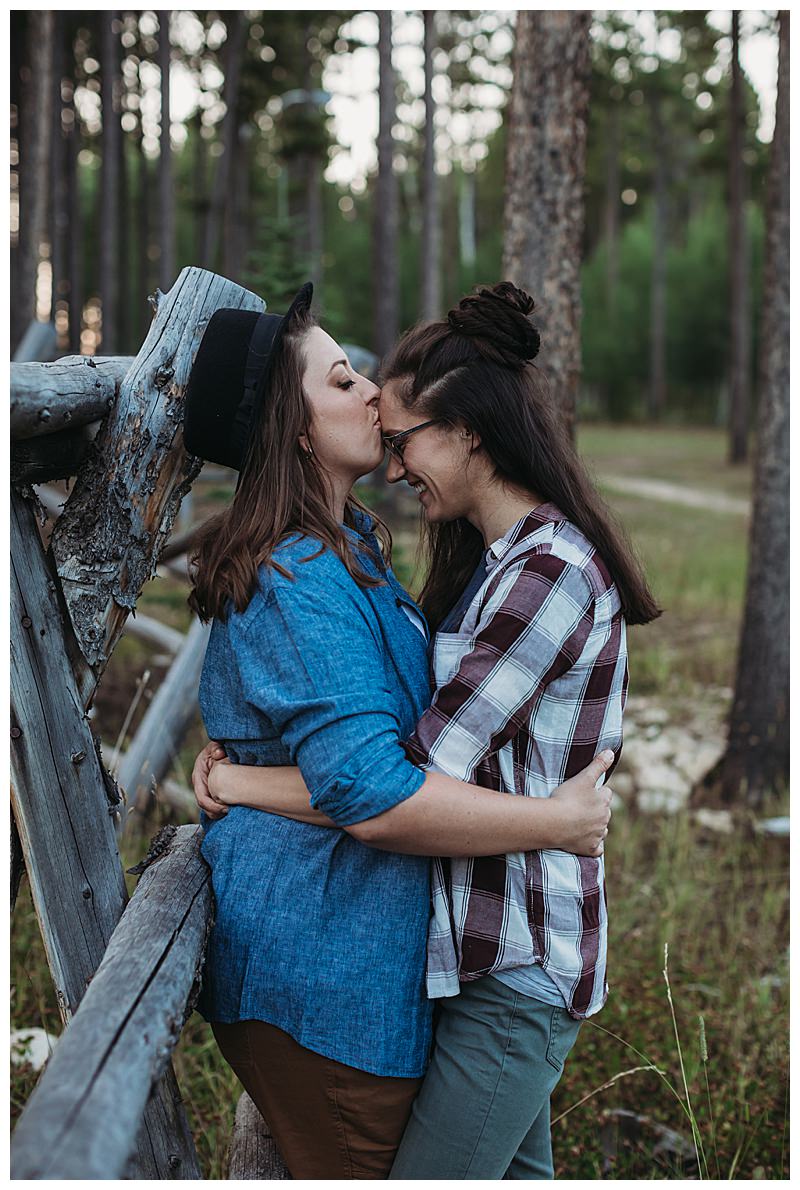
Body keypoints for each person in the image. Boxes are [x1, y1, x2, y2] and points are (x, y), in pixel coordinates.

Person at [191, 282, 660, 1178]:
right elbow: (384, 782)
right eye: (342, 383)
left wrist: (246, 782)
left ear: (469, 431)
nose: (373, 402)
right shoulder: (330, 572)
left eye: (406, 437)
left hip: (498, 956)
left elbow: (395, 777)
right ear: (295, 429)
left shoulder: (514, 569)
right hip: (411, 962)